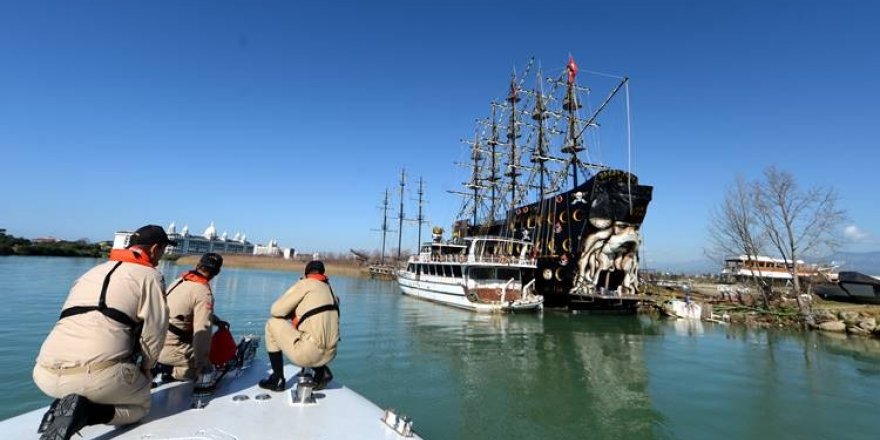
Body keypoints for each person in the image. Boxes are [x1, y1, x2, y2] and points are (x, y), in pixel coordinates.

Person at [33, 225, 172, 440]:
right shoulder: (150, 276)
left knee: (91, 378)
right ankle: (86, 413)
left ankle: (58, 408)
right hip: (97, 377)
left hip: (44, 373)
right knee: (143, 403)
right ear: (155, 249)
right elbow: (155, 330)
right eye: (163, 251)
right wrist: (146, 368)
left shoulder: (92, 272)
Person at [259, 260, 340, 392]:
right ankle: (321, 371)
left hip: (309, 354)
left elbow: (275, 310)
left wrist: (296, 287)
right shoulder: (331, 290)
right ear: (322, 274)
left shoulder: (305, 284)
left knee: (271, 323)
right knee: (313, 331)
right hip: (330, 354)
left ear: (306, 273)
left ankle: (277, 379)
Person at [155, 253, 229, 382]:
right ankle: (171, 370)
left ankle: (163, 365)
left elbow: (184, 310)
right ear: (217, 273)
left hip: (155, 344)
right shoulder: (203, 292)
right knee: (211, 368)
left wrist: (215, 320)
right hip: (171, 350)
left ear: (198, 265)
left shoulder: (180, 281)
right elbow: (202, 333)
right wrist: (203, 363)